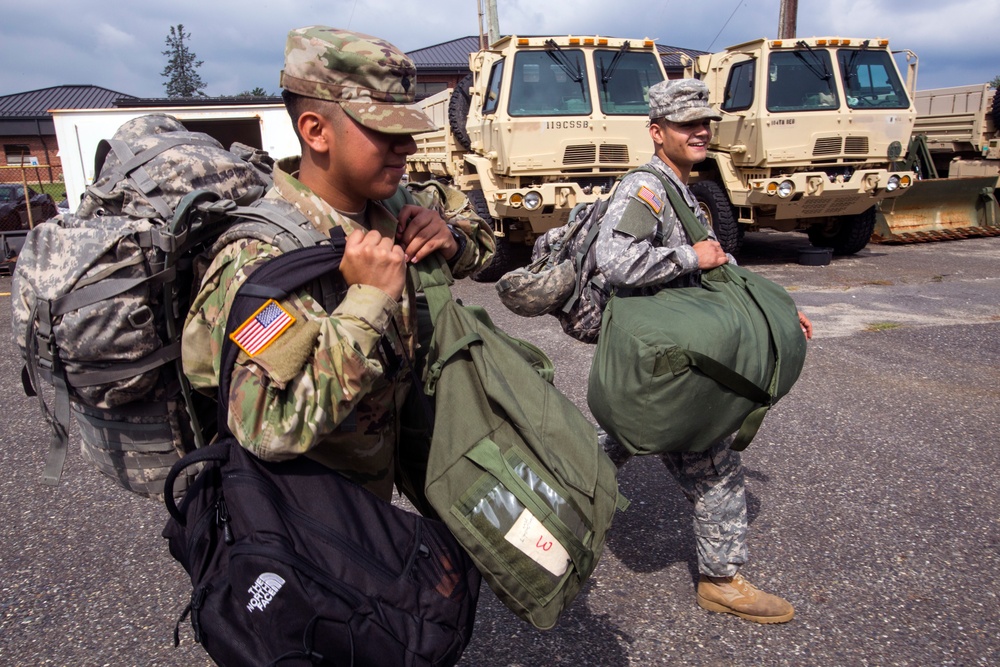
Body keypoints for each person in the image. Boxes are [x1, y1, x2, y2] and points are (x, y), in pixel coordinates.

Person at [182, 26, 495, 502]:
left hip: (384, 484)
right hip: (316, 523)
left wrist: (451, 240)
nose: (408, 147)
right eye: (385, 130)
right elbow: (267, 426)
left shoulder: (394, 203)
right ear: (316, 130)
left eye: (406, 129)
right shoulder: (261, 258)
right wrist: (369, 300)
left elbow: (481, 238)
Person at [594, 79, 813, 624]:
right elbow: (616, 261)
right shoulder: (645, 189)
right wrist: (689, 258)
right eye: (686, 123)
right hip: (667, 358)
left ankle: (545, 509)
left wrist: (778, 311)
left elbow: (717, 262)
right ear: (656, 131)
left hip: (676, 354)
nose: (700, 130)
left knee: (615, 444)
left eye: (705, 121)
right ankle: (721, 581)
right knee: (714, 466)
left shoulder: (681, 186)